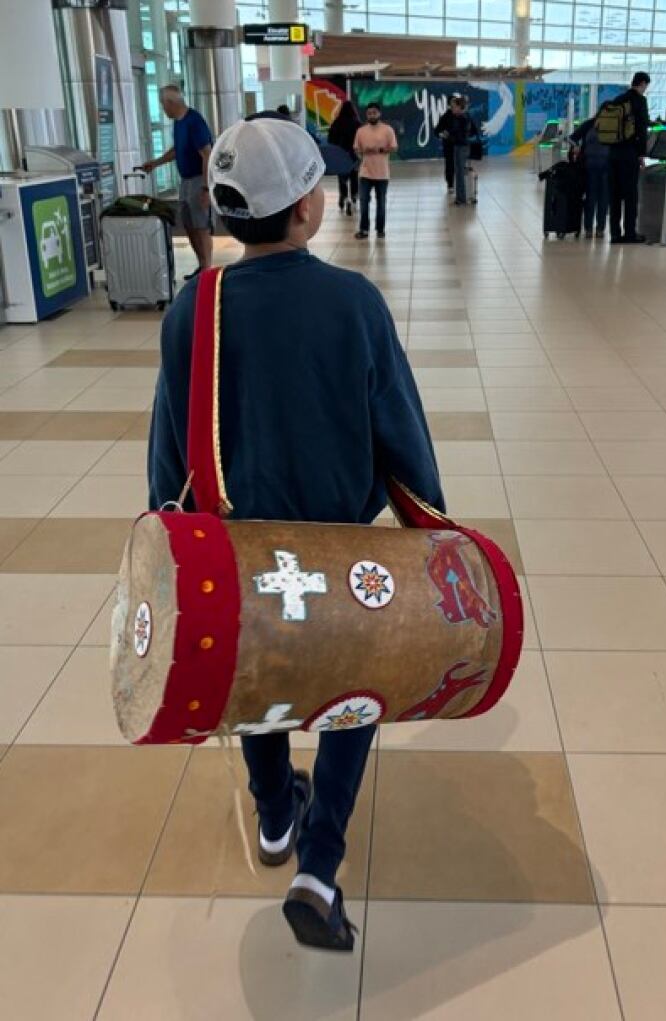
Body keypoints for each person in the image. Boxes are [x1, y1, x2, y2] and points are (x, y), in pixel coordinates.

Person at [147, 113, 443, 952]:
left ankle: (277, 812)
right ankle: (318, 866)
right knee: (357, 689)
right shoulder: (354, 305)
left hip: (243, 555)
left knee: (261, 680)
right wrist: (430, 525)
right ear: (309, 209)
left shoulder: (191, 311)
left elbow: (170, 454)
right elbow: (401, 434)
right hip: (341, 552)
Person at [143, 85, 213, 279]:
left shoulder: (194, 121)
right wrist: (155, 163)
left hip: (199, 180)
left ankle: (207, 270)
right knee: (189, 225)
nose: (162, 109)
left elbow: (207, 154)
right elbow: (177, 150)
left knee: (201, 226)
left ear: (171, 103)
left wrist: (206, 188)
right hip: (185, 181)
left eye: (163, 105)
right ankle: (202, 266)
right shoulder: (178, 122)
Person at [608, 71, 651, 245]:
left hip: (613, 154)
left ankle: (615, 234)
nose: (645, 89)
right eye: (646, 86)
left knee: (615, 195)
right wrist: (642, 154)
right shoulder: (640, 101)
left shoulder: (618, 100)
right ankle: (630, 233)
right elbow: (642, 128)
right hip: (630, 154)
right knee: (630, 195)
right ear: (641, 83)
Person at [354, 103, 398, 240]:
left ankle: (380, 229)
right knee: (363, 201)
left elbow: (394, 147)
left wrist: (381, 150)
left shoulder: (387, 130)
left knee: (381, 202)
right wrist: (362, 153)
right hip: (365, 172)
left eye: (374, 113)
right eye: (369, 113)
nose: (371, 115)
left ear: (379, 114)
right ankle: (364, 229)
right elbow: (356, 149)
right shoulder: (361, 131)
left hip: (382, 173)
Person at [571, 110, 610, 239]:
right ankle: (594, 229)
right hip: (593, 167)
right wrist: (576, 146)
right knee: (595, 198)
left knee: (598, 198)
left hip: (599, 166)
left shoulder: (590, 125)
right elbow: (571, 138)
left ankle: (595, 229)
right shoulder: (591, 125)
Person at [328, 100, 361, 216]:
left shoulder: (336, 123)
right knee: (354, 177)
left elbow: (330, 140)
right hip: (353, 155)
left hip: (340, 155)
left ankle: (343, 197)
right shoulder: (357, 123)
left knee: (342, 178)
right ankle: (354, 198)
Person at [450, 97, 478, 207]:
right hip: (459, 145)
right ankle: (459, 197)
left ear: (459, 107)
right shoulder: (458, 117)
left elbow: (464, 133)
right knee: (458, 172)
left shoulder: (464, 118)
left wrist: (453, 135)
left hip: (462, 147)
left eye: (453, 106)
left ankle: (462, 199)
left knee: (460, 173)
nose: (452, 108)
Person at [434, 94, 461, 192]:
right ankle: (450, 184)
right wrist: (443, 135)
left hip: (460, 145)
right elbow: (437, 131)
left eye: (456, 102)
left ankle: (461, 184)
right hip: (449, 145)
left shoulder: (461, 115)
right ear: (449, 104)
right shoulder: (445, 117)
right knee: (450, 165)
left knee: (461, 165)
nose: (455, 105)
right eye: (453, 102)